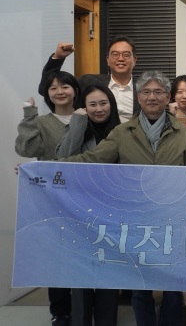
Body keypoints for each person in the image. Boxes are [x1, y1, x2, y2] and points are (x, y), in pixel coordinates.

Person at [60, 71, 186, 326]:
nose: (152, 97)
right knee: (140, 285)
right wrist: (46, 169)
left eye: (158, 92)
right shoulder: (122, 132)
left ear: (168, 97)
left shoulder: (183, 133)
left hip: (172, 219)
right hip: (136, 220)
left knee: (172, 284)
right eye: (146, 92)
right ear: (138, 97)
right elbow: (92, 159)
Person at [16, 70, 81, 326]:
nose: (59, 91)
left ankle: (84, 307)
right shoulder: (41, 122)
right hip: (52, 199)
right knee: (57, 257)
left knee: (84, 254)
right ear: (47, 93)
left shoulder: (87, 116)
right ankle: (60, 311)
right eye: (53, 88)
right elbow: (27, 149)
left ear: (75, 90)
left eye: (65, 86)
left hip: (85, 196)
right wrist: (28, 115)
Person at [55, 84, 121, 326]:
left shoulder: (123, 131)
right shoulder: (77, 126)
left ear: (112, 104)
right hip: (80, 210)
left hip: (113, 211)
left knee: (110, 270)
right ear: (84, 107)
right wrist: (78, 122)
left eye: (103, 103)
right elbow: (62, 158)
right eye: (92, 104)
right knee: (81, 271)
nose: (98, 109)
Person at [39, 38, 139, 121]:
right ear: (108, 60)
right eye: (115, 54)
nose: (120, 59)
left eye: (126, 54)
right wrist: (58, 57)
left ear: (134, 60)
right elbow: (45, 89)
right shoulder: (88, 82)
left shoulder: (143, 86)